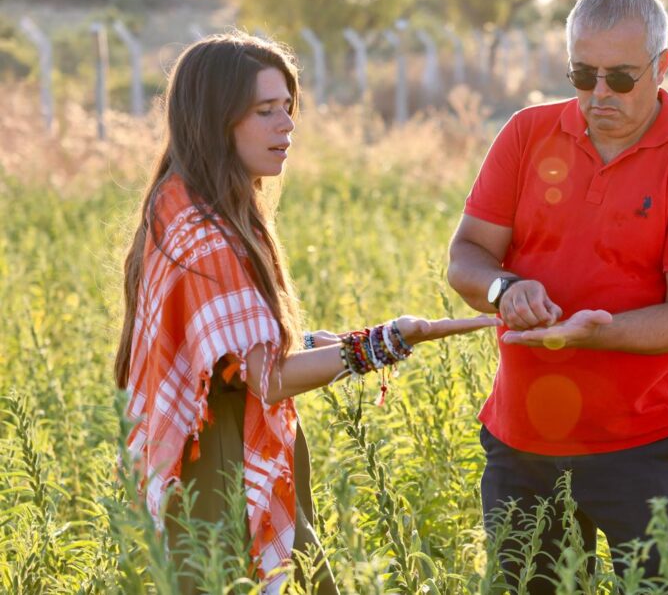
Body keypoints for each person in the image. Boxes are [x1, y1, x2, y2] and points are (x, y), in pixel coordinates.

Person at [114, 32, 497, 593]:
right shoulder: (206, 232)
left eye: (288, 108)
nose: (286, 125)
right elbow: (265, 378)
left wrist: (355, 340)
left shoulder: (183, 205)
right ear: (217, 120)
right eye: (265, 110)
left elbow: (239, 360)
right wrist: (388, 342)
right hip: (223, 472)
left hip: (214, 459)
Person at [447, 0, 668, 593]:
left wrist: (596, 334)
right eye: (583, 76)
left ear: (662, 67)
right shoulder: (527, 134)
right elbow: (467, 255)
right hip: (521, 441)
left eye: (621, 77)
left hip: (640, 443)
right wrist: (506, 290)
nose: (599, 94)